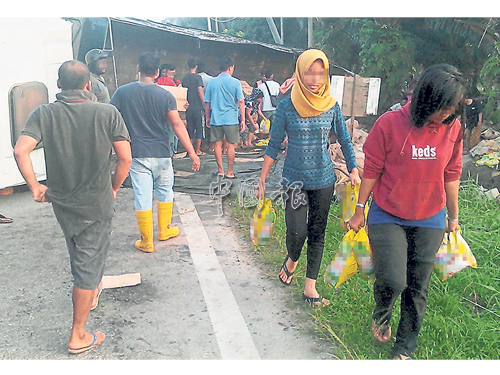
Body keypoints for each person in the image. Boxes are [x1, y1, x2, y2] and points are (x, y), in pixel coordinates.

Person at [347, 64, 465, 360]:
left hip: (430, 217)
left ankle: (404, 348)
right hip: (388, 213)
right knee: (394, 279)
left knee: (417, 286)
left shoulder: (453, 129)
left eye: (452, 108)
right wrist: (359, 208)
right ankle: (382, 310)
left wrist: (453, 218)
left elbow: (452, 173)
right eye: (443, 107)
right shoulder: (389, 123)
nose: (448, 114)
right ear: (427, 99)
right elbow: (372, 168)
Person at [13, 60, 132, 354]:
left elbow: (20, 150)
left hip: (62, 201)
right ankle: (78, 334)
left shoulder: (45, 113)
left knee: (79, 251)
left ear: (58, 86)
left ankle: (90, 293)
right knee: (88, 266)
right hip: (96, 202)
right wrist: (114, 188)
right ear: (88, 85)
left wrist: (35, 186)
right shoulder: (107, 112)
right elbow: (125, 159)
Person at [258, 49, 360, 308]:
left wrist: (354, 168)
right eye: (309, 72)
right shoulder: (286, 107)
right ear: (299, 74)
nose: (314, 79)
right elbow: (273, 144)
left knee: (317, 232)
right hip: (294, 180)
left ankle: (310, 288)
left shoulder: (331, 106)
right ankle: (292, 258)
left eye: (320, 73)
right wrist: (262, 179)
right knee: (296, 230)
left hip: (324, 179)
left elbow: (345, 140)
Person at [110, 52, 200, 254]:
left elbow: (109, 115)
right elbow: (177, 124)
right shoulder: (165, 96)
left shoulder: (122, 93)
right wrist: (192, 153)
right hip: (162, 153)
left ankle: (146, 240)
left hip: (137, 153)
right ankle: (164, 230)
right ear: (158, 72)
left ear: (137, 68)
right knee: (165, 192)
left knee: (142, 195)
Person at [204, 56, 245, 179]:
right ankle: (230, 172)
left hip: (216, 118)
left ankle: (220, 170)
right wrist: (242, 119)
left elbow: (207, 102)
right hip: (231, 119)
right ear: (230, 68)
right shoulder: (235, 82)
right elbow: (241, 101)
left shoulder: (212, 82)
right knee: (231, 146)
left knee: (217, 145)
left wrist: (207, 117)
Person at [182, 58, 205, 155]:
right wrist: (204, 103)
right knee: (199, 128)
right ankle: (197, 150)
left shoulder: (185, 78)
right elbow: (200, 91)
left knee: (190, 128)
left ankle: (189, 150)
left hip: (188, 107)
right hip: (198, 107)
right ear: (196, 67)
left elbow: (183, 92)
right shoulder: (197, 78)